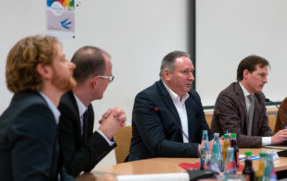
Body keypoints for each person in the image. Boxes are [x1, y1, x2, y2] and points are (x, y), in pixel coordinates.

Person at [0, 35, 76, 180]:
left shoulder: (26, 107)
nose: (72, 65)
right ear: (44, 70)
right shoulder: (34, 113)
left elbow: (59, 176)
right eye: (62, 60)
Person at [128, 51, 215, 161]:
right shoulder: (146, 99)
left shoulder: (193, 97)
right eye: (185, 72)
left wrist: (216, 143)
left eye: (191, 72)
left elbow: (205, 133)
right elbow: (158, 145)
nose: (192, 77)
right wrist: (198, 149)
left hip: (188, 162)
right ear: (167, 74)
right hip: (151, 166)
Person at [58, 46, 126, 176]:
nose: (109, 83)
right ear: (95, 82)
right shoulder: (62, 107)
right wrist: (103, 133)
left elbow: (86, 164)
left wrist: (108, 134)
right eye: (109, 78)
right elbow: (69, 169)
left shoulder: (87, 108)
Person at [211, 55, 287, 148]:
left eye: (266, 76)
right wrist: (272, 140)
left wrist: (282, 138)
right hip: (227, 153)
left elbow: (264, 130)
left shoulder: (259, 97)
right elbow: (234, 137)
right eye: (261, 75)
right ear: (246, 74)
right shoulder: (228, 97)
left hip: (253, 152)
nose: (266, 81)